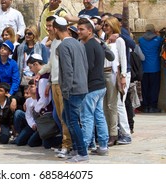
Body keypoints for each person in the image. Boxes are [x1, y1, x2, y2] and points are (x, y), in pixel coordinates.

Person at [35, 15, 72, 158]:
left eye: (51, 26)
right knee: (59, 116)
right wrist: (40, 72)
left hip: (62, 84)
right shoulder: (54, 43)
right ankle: (65, 142)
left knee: (64, 116)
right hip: (55, 83)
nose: (49, 29)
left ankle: (67, 145)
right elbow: (51, 64)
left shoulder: (64, 43)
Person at [53, 16, 89, 163]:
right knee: (67, 118)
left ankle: (82, 152)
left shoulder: (63, 47)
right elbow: (85, 65)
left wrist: (66, 90)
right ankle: (75, 149)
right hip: (81, 86)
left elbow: (67, 71)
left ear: (56, 29)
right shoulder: (78, 43)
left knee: (72, 121)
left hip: (72, 88)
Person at [77, 18, 109, 156]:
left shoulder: (89, 46)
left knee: (87, 117)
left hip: (92, 87)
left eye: (81, 29)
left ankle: (83, 148)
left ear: (90, 31)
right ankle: (103, 146)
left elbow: (87, 67)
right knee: (99, 116)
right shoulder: (96, 44)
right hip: (100, 85)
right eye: (78, 29)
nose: (78, 32)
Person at [102, 16, 130, 145]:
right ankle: (110, 131)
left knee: (114, 104)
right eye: (104, 25)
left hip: (113, 73)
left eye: (107, 25)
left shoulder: (119, 40)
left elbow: (122, 58)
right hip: (103, 73)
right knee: (105, 106)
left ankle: (119, 133)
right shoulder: (104, 39)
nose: (105, 27)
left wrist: (123, 75)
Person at [13, 25, 48, 94]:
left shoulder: (41, 47)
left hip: (35, 78)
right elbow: (14, 63)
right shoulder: (19, 48)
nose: (27, 35)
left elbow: (44, 63)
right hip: (22, 79)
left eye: (29, 33)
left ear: (34, 34)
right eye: (25, 33)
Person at [138, 23, 163, 113]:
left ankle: (145, 106)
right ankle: (153, 106)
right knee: (154, 88)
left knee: (145, 88)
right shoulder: (158, 39)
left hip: (144, 67)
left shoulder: (140, 39)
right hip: (155, 67)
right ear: (153, 30)